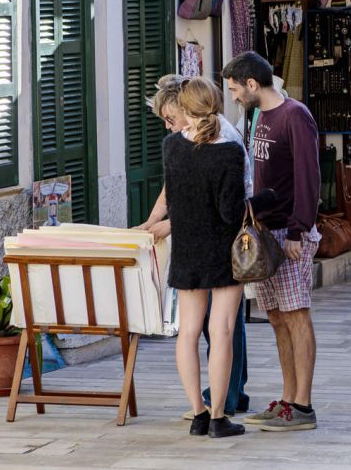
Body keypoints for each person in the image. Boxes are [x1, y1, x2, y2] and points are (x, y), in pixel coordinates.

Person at [139, 75, 255, 421]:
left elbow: (176, 196)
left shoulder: (173, 146)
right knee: (222, 331)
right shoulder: (228, 149)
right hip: (222, 251)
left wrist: (164, 222)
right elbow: (229, 212)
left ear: (185, 108)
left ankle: (198, 411)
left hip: (187, 249)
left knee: (188, 333)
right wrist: (261, 202)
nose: (167, 123)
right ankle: (219, 414)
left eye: (170, 116)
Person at [223, 51, 322, 433]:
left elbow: (309, 176)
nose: (234, 97)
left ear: (252, 84)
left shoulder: (295, 115)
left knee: (296, 315)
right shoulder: (257, 117)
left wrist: (299, 230)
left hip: (290, 233)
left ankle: (303, 406)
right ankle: (287, 400)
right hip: (266, 233)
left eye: (235, 89)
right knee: (277, 317)